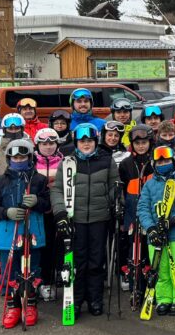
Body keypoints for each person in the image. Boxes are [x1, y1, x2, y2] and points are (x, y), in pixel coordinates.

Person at [50, 124, 118, 317]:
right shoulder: (67, 162)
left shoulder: (106, 161)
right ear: (76, 143)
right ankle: (77, 299)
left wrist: (116, 201)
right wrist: (60, 213)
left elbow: (113, 186)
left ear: (95, 142)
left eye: (89, 141)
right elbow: (57, 189)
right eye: (82, 141)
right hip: (76, 219)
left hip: (99, 218)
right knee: (78, 261)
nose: (86, 144)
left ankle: (95, 299)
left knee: (96, 261)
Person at [0, 138, 50, 328]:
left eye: (23, 157)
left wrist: (37, 201)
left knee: (32, 270)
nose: (19, 160)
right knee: (10, 270)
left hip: (32, 231)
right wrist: (6, 212)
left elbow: (47, 204)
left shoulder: (39, 180)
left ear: (30, 158)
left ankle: (30, 304)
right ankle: (13, 306)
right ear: (9, 159)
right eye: (15, 157)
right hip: (8, 233)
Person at [137, 145, 175, 315]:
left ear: (174, 161)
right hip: (156, 235)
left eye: (166, 160)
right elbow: (142, 208)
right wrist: (151, 228)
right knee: (160, 268)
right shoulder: (149, 184)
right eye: (159, 162)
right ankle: (164, 298)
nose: (163, 164)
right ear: (154, 164)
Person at [118, 126, 155, 299]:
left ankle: (151, 286)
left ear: (150, 143)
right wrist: (121, 205)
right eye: (137, 143)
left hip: (151, 213)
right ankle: (135, 287)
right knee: (134, 251)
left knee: (149, 250)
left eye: (144, 142)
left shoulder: (155, 162)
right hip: (132, 212)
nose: (141, 146)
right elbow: (121, 189)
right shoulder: (126, 164)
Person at [33, 127, 63, 301]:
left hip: (58, 209)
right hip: (38, 210)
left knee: (56, 244)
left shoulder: (64, 162)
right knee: (40, 246)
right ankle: (40, 280)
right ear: (37, 145)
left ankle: (51, 279)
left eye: (52, 143)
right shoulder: (31, 162)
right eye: (44, 144)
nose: (48, 146)